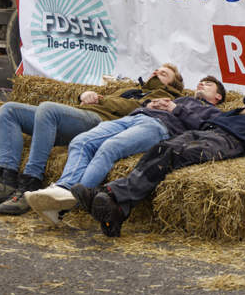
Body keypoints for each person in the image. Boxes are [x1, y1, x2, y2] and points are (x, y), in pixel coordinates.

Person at [73, 85, 245, 237]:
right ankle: (118, 208)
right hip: (214, 130)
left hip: (233, 142)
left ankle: (112, 196)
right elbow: (235, 111)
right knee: (163, 148)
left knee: (176, 155)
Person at [0, 64, 185, 215]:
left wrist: (101, 98)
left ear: (172, 85)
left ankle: (30, 183)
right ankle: (6, 180)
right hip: (79, 116)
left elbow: (133, 109)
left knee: (47, 109)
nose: (157, 72)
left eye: (164, 73)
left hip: (98, 121)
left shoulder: (165, 97)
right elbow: (102, 99)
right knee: (8, 110)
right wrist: (83, 95)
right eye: (156, 69)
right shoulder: (131, 89)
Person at [25, 76, 227, 226]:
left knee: (109, 148)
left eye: (208, 84)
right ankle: (62, 189)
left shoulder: (214, 112)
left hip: (158, 127)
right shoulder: (181, 98)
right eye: (200, 82)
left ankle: (67, 203)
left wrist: (175, 109)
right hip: (133, 118)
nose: (201, 84)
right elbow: (136, 104)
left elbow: (206, 128)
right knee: (81, 141)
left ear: (218, 96)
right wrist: (151, 103)